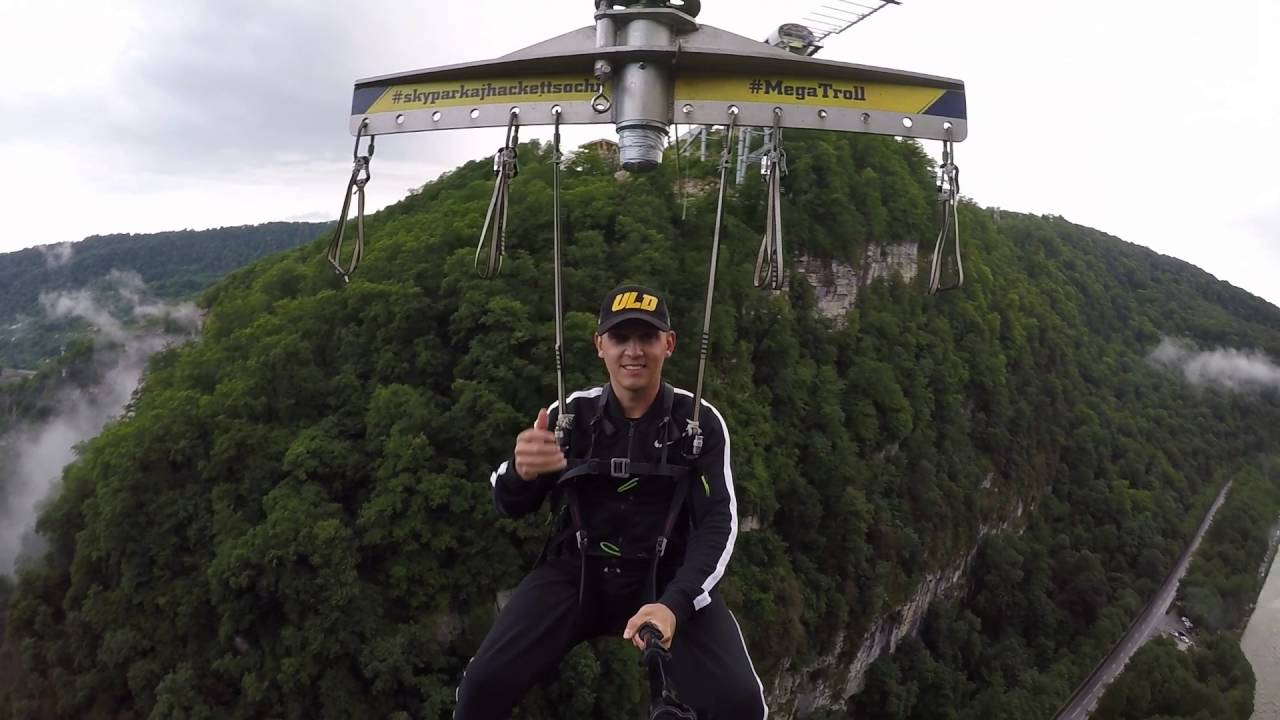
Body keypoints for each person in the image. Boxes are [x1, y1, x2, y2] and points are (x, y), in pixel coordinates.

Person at [454, 284, 768, 719]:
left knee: (741, 702)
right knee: (480, 688)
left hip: (666, 576)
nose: (633, 351)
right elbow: (508, 504)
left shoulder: (696, 423)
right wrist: (521, 474)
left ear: (669, 344)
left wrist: (675, 604)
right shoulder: (571, 417)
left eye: (647, 337)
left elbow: (718, 522)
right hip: (576, 572)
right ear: (600, 345)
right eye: (620, 338)